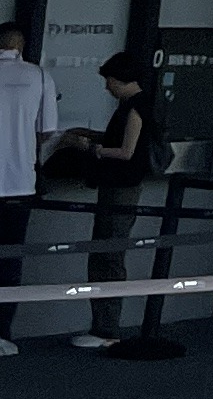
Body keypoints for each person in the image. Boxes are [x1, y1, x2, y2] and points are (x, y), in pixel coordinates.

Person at [58, 54, 172, 354]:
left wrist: (90, 147)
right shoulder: (142, 104)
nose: (107, 87)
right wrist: (90, 135)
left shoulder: (135, 107)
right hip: (123, 186)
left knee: (108, 253)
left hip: (120, 188)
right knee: (107, 252)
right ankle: (104, 326)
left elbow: (126, 151)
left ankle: (106, 328)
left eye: (109, 80)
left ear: (120, 78)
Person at [0, 17, 56, 360]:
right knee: (9, 261)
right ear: (20, 47)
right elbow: (47, 130)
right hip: (19, 182)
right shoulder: (39, 76)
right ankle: (2, 333)